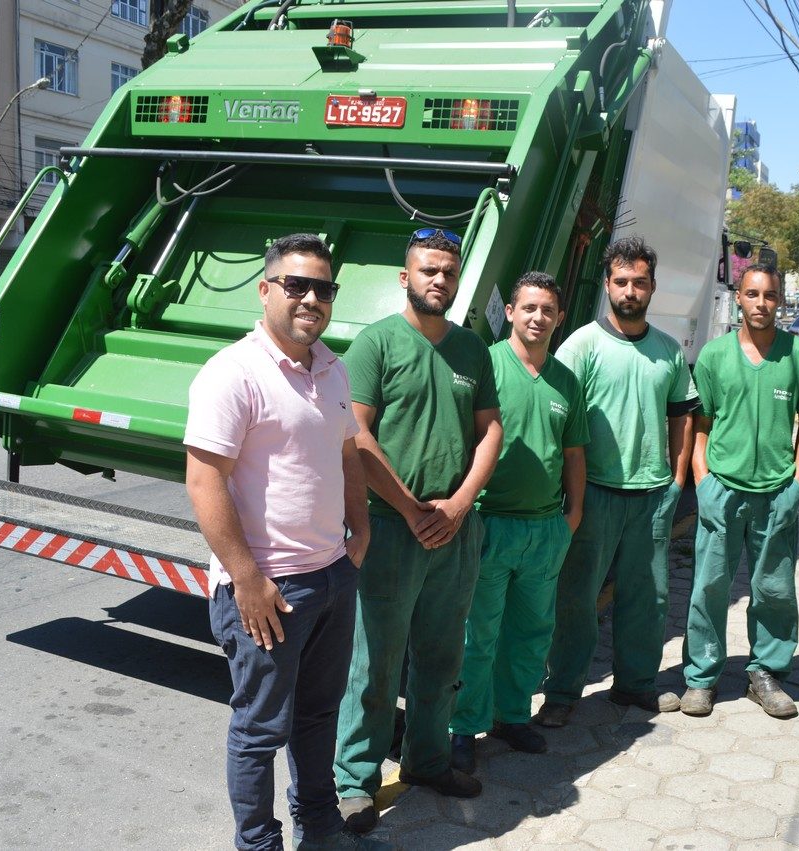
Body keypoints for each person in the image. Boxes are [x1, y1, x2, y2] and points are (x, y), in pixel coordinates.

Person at [185, 234, 389, 850]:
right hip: (270, 589)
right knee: (259, 730)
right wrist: (247, 578)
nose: (311, 299)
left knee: (319, 715)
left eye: (323, 288)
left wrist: (360, 528)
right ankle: (258, 843)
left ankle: (320, 829)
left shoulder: (333, 368)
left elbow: (348, 453)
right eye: (296, 285)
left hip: (332, 576)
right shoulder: (233, 372)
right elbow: (204, 480)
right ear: (265, 289)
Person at [334, 228, 503, 832]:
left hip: (454, 532)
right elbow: (355, 434)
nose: (440, 280)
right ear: (405, 278)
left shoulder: (473, 349)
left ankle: (427, 760)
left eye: (449, 272)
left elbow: (491, 431)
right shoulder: (376, 343)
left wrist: (458, 504)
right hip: (389, 529)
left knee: (441, 656)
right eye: (429, 270)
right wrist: (411, 509)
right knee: (375, 664)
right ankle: (354, 780)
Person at [537, 237, 699, 727]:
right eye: (622, 281)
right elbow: (558, 417)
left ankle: (635, 685)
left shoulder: (668, 351)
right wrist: (568, 492)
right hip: (594, 493)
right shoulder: (582, 345)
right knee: (577, 599)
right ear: (607, 285)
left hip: (651, 496)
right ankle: (562, 692)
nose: (631, 291)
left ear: (653, 287)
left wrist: (677, 478)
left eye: (640, 282)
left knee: (648, 599)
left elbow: (682, 415)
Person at [449, 272, 588, 772]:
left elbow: (573, 453)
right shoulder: (485, 365)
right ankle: (463, 727)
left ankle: (512, 716)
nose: (538, 317)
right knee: (477, 635)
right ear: (510, 312)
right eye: (529, 308)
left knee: (531, 633)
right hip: (489, 523)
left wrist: (573, 514)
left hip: (544, 529)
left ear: (560, 318)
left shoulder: (565, 381)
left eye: (547, 310)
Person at [680, 265, 799, 718]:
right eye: (753, 294)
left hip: (777, 493)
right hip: (722, 489)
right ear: (738, 298)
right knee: (708, 586)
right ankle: (701, 677)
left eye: (770, 295)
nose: (761, 303)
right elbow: (700, 426)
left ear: (780, 300)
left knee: (774, 590)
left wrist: (797, 483)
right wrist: (703, 481)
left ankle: (765, 673)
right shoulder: (714, 356)